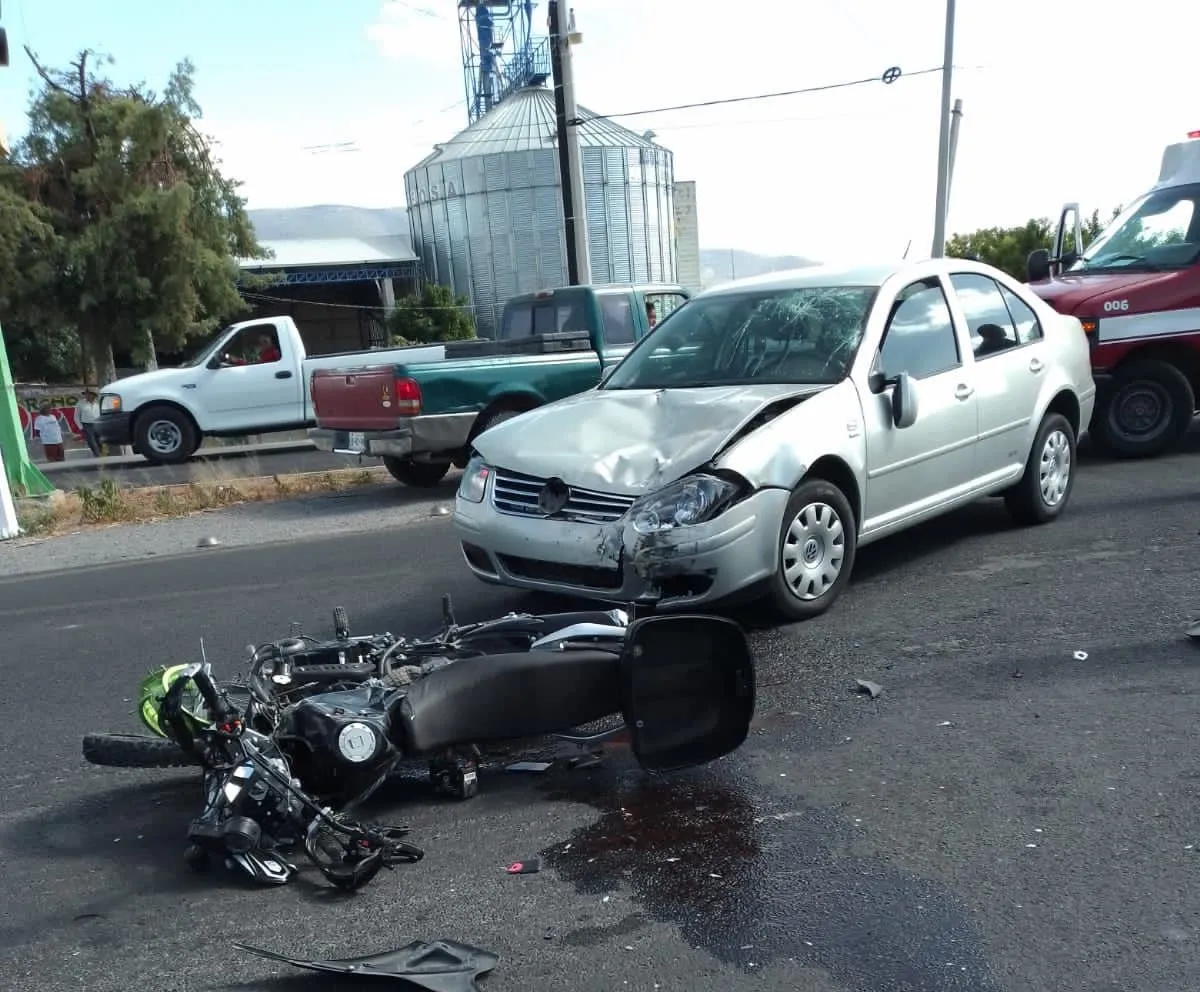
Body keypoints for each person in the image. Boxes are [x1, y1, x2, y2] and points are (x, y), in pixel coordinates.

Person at [75, 387, 102, 457]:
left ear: (93, 395)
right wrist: (81, 427)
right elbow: (76, 417)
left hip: (99, 424)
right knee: (92, 442)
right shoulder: (80, 403)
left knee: (99, 441)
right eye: (86, 394)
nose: (87, 396)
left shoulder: (99, 403)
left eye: (89, 394)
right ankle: (98, 456)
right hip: (87, 426)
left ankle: (100, 455)